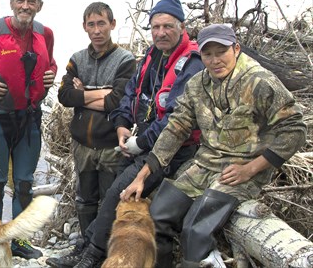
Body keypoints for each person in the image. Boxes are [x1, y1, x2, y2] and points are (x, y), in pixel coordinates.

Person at [121, 24, 307, 268]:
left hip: (241, 170)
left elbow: (295, 129)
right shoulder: (198, 83)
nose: (215, 60)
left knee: (195, 230)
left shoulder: (260, 81)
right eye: (208, 54)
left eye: (222, 52)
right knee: (157, 217)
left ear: (236, 49)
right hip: (204, 165)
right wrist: (143, 176)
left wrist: (252, 169)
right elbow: (176, 129)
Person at [48, 0, 205, 268]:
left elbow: (175, 120)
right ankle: (87, 245)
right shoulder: (153, 56)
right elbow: (129, 95)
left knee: (115, 194)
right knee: (111, 195)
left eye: (167, 26)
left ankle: (92, 256)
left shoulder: (191, 64)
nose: (160, 33)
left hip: (172, 150)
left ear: (181, 26)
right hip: (138, 140)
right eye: (155, 27)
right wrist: (121, 125)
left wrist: (139, 142)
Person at [0, 0, 57, 260]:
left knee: (24, 183)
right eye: (20, 0)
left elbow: (51, 64)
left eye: (31, 1)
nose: (25, 6)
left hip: (30, 119)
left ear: (39, 6)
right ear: (11, 2)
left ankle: (19, 241)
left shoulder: (45, 33)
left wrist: (51, 74)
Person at [56, 2, 136, 246]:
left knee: (110, 199)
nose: (97, 30)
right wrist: (101, 92)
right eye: (91, 24)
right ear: (84, 27)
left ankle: (107, 246)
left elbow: (117, 101)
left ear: (112, 24)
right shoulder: (77, 59)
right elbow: (65, 96)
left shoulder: (125, 60)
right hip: (83, 144)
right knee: (84, 199)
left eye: (102, 23)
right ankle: (86, 243)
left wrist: (84, 94)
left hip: (111, 143)